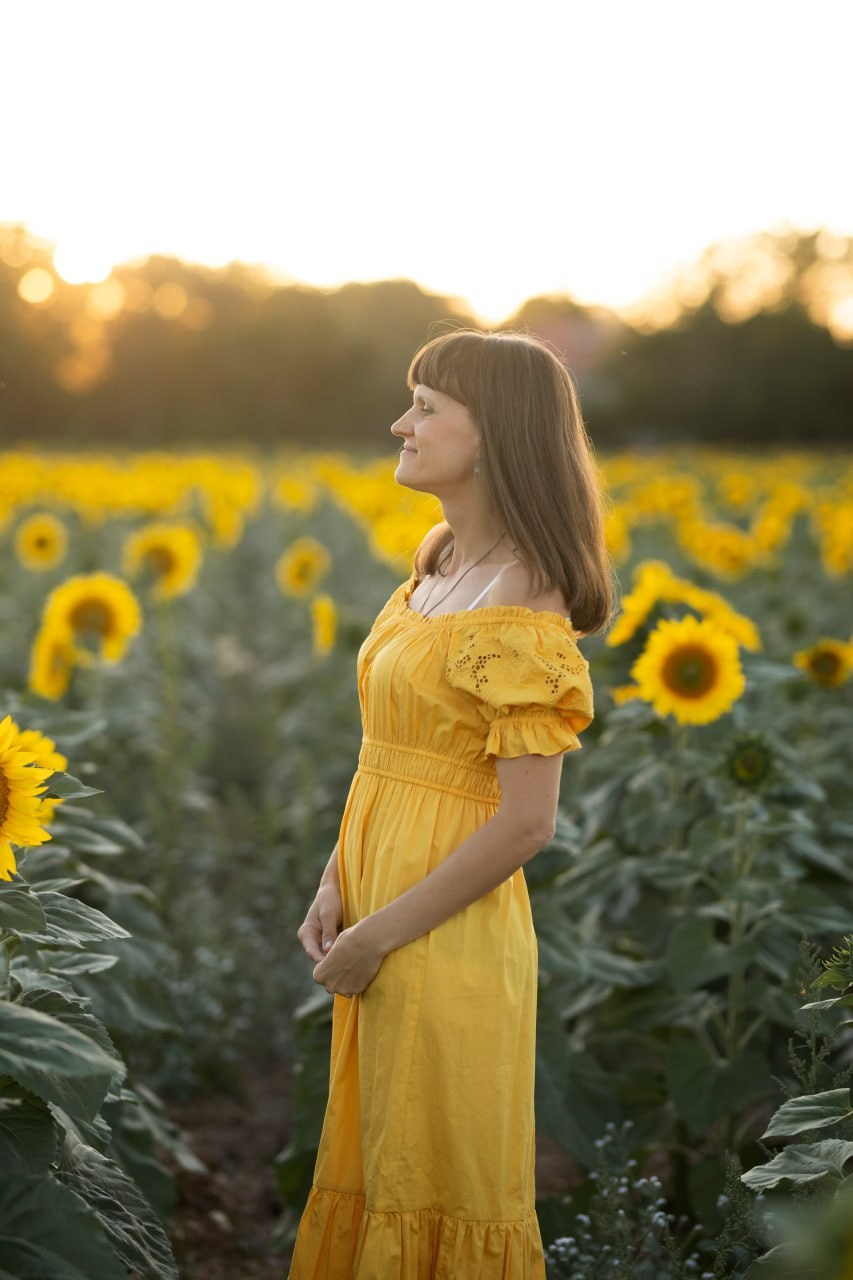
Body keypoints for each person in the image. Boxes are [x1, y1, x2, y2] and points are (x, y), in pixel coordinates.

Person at [288, 328, 613, 1279]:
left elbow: (526, 822)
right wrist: (333, 881)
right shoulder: (437, 564)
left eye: (427, 407)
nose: (401, 423)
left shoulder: (526, 604)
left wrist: (380, 932)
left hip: (443, 930)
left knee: (431, 1181)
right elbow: (390, 753)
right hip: (379, 899)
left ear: (498, 433)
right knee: (379, 1161)